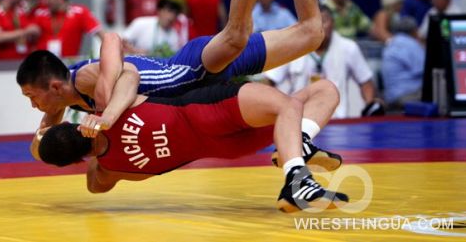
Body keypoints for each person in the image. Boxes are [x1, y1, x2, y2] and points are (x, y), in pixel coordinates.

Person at [18, 0, 351, 143]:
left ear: (55, 87)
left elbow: (114, 45)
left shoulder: (86, 80)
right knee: (311, 34)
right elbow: (42, 138)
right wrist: (43, 140)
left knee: (235, 37)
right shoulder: (64, 98)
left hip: (187, 70)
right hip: (198, 78)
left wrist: (105, 110)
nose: (34, 106)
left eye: (34, 97)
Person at [33, 80, 349, 213]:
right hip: (209, 110)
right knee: (290, 104)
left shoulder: (110, 171)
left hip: (223, 148)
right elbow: (127, 69)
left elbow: (93, 185)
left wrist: (72, 147)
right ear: (77, 123)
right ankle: (297, 173)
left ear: (75, 161)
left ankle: (299, 146)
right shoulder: (108, 106)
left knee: (318, 93)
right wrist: (101, 117)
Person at [264, 6, 383, 118]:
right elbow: (269, 81)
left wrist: (370, 104)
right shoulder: (291, 46)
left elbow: (366, 82)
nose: (320, 26)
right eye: (315, 22)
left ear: (333, 23)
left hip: (338, 121)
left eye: (324, 21)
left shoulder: (349, 47)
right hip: (298, 121)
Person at [33, 0, 105, 58]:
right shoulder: (41, 13)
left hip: (69, 65)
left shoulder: (80, 12)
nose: (45, 2)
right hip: (42, 64)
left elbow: (101, 34)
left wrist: (108, 57)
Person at [381, 17, 425, 110]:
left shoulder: (392, 42)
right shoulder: (410, 43)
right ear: (414, 31)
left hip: (391, 97)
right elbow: (425, 69)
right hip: (407, 95)